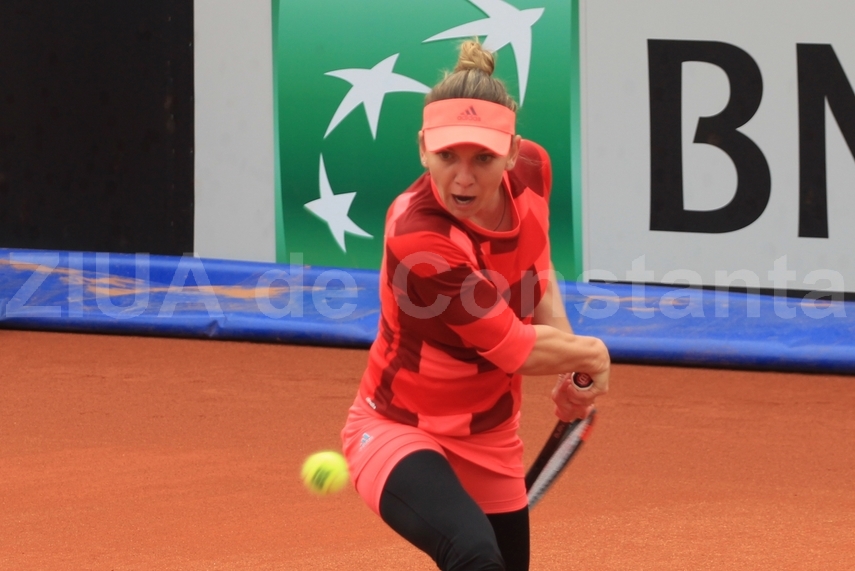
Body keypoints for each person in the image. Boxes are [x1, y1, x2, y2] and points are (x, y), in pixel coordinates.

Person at [341, 39, 610, 571]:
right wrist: (590, 354)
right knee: (474, 555)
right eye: (447, 157)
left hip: (490, 436)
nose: (463, 178)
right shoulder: (418, 237)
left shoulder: (534, 169)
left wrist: (572, 367)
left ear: (512, 151)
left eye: (483, 158)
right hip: (399, 428)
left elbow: (536, 270)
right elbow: (513, 347)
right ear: (423, 148)